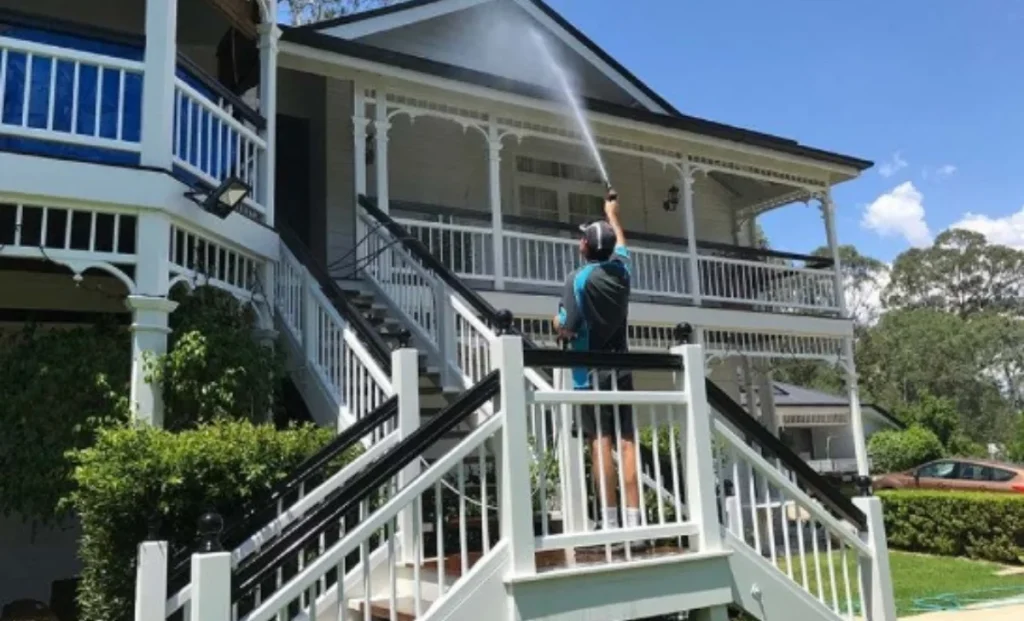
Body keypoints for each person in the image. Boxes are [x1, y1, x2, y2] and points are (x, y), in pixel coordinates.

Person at [553, 187, 641, 535]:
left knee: (600, 440)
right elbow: (622, 243)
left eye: (582, 240)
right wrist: (613, 214)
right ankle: (635, 523)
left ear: (584, 247)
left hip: (588, 374)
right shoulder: (622, 272)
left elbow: (567, 329)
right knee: (628, 441)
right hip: (622, 369)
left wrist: (556, 323)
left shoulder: (576, 280)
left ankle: (610, 520)